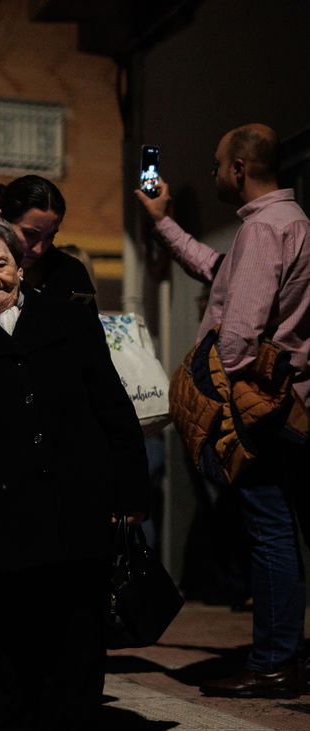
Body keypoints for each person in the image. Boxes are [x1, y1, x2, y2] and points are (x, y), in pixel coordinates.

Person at [0, 218, 149, 729]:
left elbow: (111, 405)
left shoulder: (67, 318)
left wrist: (131, 490)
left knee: (74, 644)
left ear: (20, 266)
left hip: (72, 512)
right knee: (0, 655)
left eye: (0, 265)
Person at [135, 123, 310, 698]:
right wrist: (162, 221)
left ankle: (274, 663)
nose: (212, 173)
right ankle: (284, 655)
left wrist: (207, 388)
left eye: (216, 164)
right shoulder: (289, 222)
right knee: (281, 530)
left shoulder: (263, 229)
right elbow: (217, 272)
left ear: (239, 168)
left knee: (269, 532)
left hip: (261, 410)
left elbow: (238, 338)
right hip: (288, 405)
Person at [0, 175, 98, 312]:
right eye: (31, 234)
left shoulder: (69, 272)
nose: (39, 249)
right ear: (0, 220)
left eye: (50, 236)